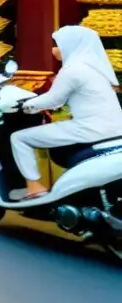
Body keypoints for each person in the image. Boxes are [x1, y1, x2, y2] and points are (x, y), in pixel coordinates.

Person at [9, 26, 122, 200]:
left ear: (71, 45)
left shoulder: (72, 70)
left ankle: (34, 187)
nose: (54, 49)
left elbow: (53, 100)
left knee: (19, 138)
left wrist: (26, 105)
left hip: (90, 129)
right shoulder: (95, 69)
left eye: (57, 44)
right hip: (114, 129)